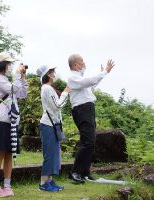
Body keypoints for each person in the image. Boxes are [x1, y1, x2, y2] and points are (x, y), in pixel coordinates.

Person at [67, 54, 115, 183]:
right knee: (89, 142)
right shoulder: (73, 78)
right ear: (75, 65)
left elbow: (90, 85)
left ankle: (85, 172)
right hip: (82, 110)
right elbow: (90, 81)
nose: (84, 62)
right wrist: (105, 72)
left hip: (87, 109)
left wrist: (102, 75)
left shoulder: (80, 79)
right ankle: (75, 172)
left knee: (88, 141)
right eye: (82, 60)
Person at [0, 52, 29, 197]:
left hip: (11, 121)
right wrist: (18, 76)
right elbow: (13, 89)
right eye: (9, 64)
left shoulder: (5, 79)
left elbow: (21, 93)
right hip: (1, 121)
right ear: (2, 65)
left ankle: (7, 185)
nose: (11, 67)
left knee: (8, 154)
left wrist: (22, 78)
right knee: (0, 153)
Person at [36, 65, 71, 192]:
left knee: (54, 154)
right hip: (48, 125)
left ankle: (49, 181)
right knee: (49, 155)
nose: (55, 73)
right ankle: (43, 183)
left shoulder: (47, 88)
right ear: (48, 74)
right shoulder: (47, 89)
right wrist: (65, 94)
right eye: (52, 71)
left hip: (51, 125)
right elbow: (57, 106)